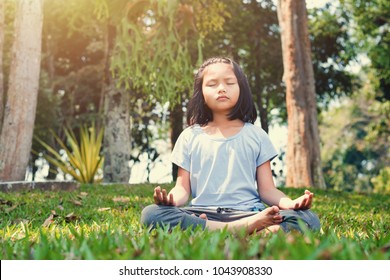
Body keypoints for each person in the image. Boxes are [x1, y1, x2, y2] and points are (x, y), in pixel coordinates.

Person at [141, 57, 320, 235]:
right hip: (203, 213)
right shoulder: (189, 136)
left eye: (229, 82)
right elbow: (182, 188)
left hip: (249, 213)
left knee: (308, 218)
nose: (221, 89)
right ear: (201, 92)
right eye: (212, 84)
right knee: (151, 214)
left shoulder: (256, 135)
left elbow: (268, 190)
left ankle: (211, 232)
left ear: (241, 88)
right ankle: (250, 232)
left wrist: (291, 204)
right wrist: (171, 201)